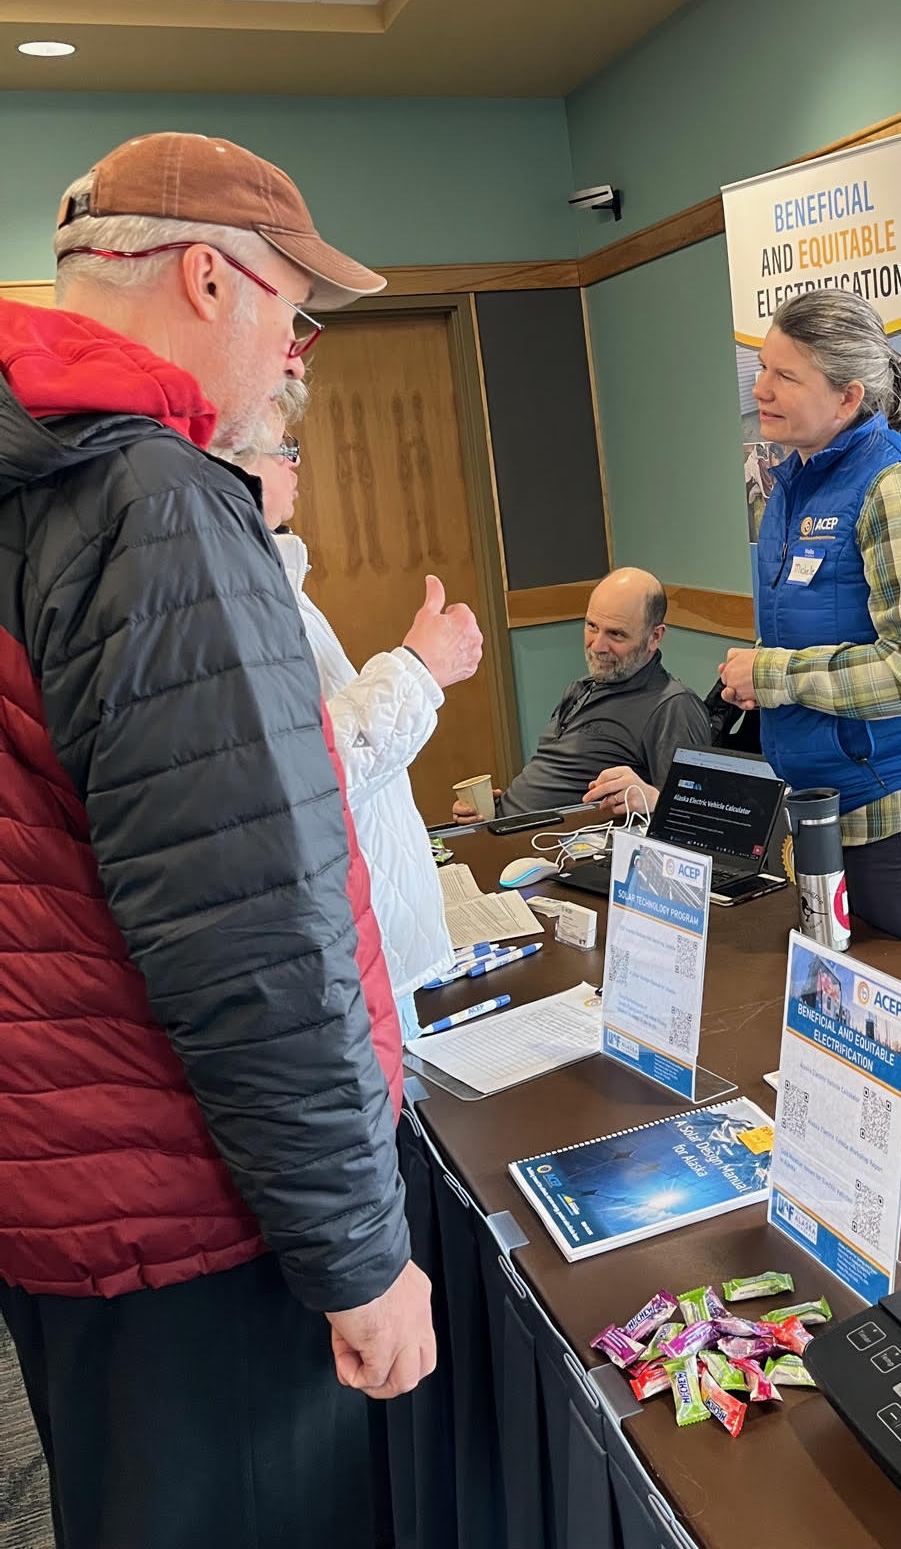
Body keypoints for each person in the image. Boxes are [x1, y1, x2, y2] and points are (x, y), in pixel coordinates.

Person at [0, 133, 434, 1549]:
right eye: (290, 308)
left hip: (65, 1196)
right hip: (197, 1211)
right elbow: (252, 926)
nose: (296, 349)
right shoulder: (155, 501)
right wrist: (362, 1255)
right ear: (207, 275)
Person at [719, 289, 901, 983]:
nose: (760, 388)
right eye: (761, 367)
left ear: (847, 399)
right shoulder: (790, 484)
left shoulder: (896, 485)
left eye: (785, 376)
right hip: (829, 814)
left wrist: (773, 675)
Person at [232, 409, 483, 1035]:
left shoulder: (274, 574)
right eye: (283, 445)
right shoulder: (232, 589)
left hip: (365, 944)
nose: (296, 461)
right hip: (331, 967)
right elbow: (296, 775)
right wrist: (419, 669)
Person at [453, 567, 710, 822]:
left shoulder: (673, 707)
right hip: (498, 830)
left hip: (550, 852)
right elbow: (552, 780)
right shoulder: (582, 688)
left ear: (654, 637)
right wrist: (491, 813)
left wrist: (652, 799)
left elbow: (695, 816)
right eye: (592, 626)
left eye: (616, 634)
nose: (597, 646)